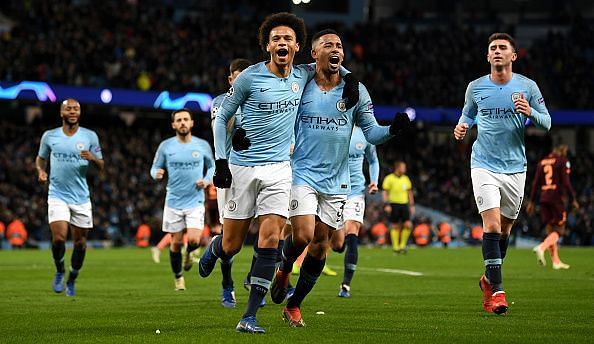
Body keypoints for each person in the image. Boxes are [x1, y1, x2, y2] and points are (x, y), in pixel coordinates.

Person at [198, 13, 359, 334]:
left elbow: (331, 59)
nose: (282, 43)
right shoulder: (249, 78)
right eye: (276, 39)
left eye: (288, 38)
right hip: (243, 168)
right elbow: (221, 117)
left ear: (298, 46)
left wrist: (351, 78)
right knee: (232, 245)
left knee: (270, 238)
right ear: (267, 46)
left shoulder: (303, 74)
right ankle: (216, 248)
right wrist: (220, 160)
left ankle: (249, 316)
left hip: (280, 171)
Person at [270, 29, 409, 327]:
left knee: (322, 244)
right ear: (314, 53)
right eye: (327, 45)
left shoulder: (356, 90)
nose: (335, 49)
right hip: (302, 173)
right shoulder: (301, 81)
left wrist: (392, 130)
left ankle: (294, 305)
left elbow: (372, 132)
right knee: (304, 234)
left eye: (339, 46)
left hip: (336, 181)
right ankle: (283, 270)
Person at [453, 33, 551, 315]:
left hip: (515, 168)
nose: (497, 51)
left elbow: (547, 123)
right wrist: (462, 128)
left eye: (502, 48)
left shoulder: (527, 86)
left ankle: (487, 279)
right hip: (483, 164)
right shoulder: (475, 87)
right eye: (492, 48)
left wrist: (530, 110)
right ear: (487, 56)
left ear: (513, 56)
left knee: (505, 230)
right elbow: (467, 115)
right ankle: (497, 292)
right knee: (492, 226)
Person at [36, 98, 104, 296]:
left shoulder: (90, 136)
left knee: (80, 244)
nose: (72, 111)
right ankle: (59, 270)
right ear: (61, 113)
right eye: (68, 109)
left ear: (80, 113)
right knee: (58, 239)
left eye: (76, 109)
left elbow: (102, 166)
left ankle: (72, 279)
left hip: (81, 198)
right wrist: (41, 171)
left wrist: (93, 159)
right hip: (57, 194)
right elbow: (40, 159)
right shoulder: (50, 136)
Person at [150, 108, 215, 292]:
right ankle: (178, 278)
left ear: (192, 123)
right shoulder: (166, 146)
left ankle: (189, 254)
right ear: (173, 125)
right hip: (174, 201)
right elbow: (154, 167)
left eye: (186, 119)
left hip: (195, 200)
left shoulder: (202, 145)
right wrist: (157, 174)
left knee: (194, 240)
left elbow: (211, 167)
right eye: (178, 120)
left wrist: (207, 179)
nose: (182, 123)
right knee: (176, 243)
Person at [210, 58, 252, 308]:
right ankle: (227, 284)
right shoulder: (220, 102)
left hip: (260, 169)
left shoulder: (262, 100)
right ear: (231, 79)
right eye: (239, 75)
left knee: (275, 226)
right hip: (230, 173)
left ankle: (256, 277)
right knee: (229, 238)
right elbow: (223, 126)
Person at [330, 126, 380, 298]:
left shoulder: (364, 135)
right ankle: (338, 240)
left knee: (353, 229)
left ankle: (345, 286)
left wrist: (374, 181)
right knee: (337, 245)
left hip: (356, 191)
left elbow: (373, 160)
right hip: (334, 190)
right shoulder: (333, 128)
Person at [526, 144, 579, 270]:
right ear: (562, 150)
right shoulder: (562, 161)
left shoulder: (542, 162)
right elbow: (566, 182)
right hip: (556, 198)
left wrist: (532, 202)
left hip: (544, 198)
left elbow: (535, 184)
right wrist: (573, 199)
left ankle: (556, 261)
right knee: (559, 230)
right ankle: (542, 247)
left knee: (551, 229)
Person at [382, 161, 415, 253]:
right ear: (398, 168)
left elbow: (409, 192)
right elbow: (385, 192)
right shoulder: (389, 178)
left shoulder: (406, 179)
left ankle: (402, 245)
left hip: (404, 204)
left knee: (408, 225)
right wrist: (386, 204)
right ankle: (395, 247)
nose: (405, 169)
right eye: (403, 167)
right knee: (395, 225)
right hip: (393, 204)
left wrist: (412, 205)